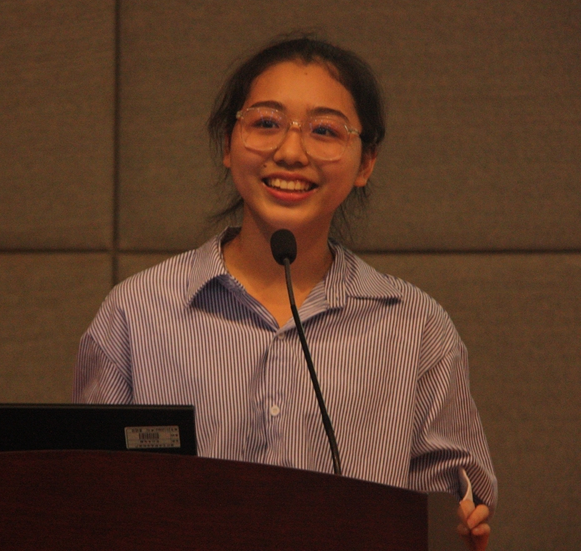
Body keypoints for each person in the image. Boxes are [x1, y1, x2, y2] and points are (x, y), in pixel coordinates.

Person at [73, 36, 496, 550]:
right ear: (227, 144)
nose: (291, 152)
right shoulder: (135, 313)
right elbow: (88, 502)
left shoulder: (417, 328)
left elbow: (449, 509)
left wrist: (461, 526)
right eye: (266, 123)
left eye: (325, 130)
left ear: (365, 163)